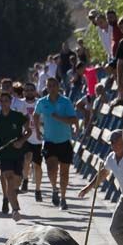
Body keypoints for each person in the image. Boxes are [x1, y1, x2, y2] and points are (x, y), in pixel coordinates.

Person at [34, 77, 79, 210]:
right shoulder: (42, 102)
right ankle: (55, 189)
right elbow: (36, 115)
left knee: (64, 173)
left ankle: (63, 199)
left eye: (54, 85)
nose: (52, 88)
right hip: (49, 141)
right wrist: (37, 131)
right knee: (51, 168)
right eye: (49, 86)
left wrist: (58, 117)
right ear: (46, 87)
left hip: (64, 141)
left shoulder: (65, 101)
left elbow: (73, 119)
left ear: (58, 86)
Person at [0, 91, 29, 221]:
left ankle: (9, 198)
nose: (4, 103)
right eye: (2, 101)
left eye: (7, 100)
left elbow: (29, 130)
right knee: (9, 179)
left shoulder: (18, 116)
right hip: (4, 154)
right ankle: (15, 209)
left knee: (16, 181)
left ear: (10, 102)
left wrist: (21, 141)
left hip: (18, 153)